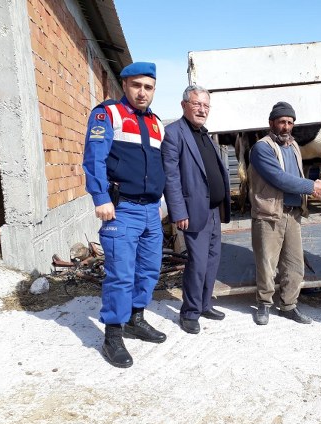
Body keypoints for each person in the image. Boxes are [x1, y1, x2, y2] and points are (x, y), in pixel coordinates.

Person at [82, 62, 167, 368]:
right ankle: (113, 335)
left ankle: (136, 319)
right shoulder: (108, 114)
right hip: (122, 210)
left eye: (148, 87)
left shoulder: (157, 123)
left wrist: (158, 201)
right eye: (136, 85)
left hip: (149, 211)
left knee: (148, 270)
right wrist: (101, 196)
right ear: (125, 85)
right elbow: (94, 157)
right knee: (121, 275)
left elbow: (156, 167)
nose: (142, 92)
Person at [249, 101, 321, 326]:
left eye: (290, 122)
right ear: (271, 123)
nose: (286, 126)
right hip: (269, 214)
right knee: (267, 262)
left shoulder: (293, 146)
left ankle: (288, 306)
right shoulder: (262, 148)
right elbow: (279, 178)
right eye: (282, 122)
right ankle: (264, 304)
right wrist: (312, 186)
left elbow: (295, 174)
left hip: (293, 213)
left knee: (294, 264)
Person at [162, 85, 231, 334]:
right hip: (192, 212)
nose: (202, 109)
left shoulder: (205, 134)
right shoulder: (174, 133)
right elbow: (170, 178)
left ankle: (204, 304)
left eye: (206, 105)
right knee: (198, 263)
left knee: (212, 260)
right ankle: (190, 312)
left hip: (213, 210)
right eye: (197, 104)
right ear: (184, 106)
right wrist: (178, 212)